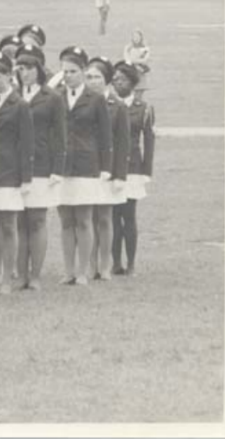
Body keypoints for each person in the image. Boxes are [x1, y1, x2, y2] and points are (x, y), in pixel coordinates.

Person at [0, 50, 34, 295]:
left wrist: (25, 178)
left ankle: (8, 279)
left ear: (9, 77)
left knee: (9, 226)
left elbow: (27, 143)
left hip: (10, 173)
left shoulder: (20, 104)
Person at [57, 46, 113, 286]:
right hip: (61, 166)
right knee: (65, 221)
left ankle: (83, 271)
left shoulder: (95, 99)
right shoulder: (56, 97)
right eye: (64, 71)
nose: (67, 76)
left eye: (72, 71)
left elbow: (105, 135)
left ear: (82, 72)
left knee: (83, 219)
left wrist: (106, 167)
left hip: (86, 163)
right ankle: (68, 270)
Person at [15, 43, 66, 291]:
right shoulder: (13, 94)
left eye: (29, 68)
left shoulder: (52, 98)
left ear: (39, 69)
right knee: (19, 222)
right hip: (15, 167)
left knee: (36, 219)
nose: (24, 73)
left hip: (41, 165)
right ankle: (21, 273)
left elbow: (60, 135)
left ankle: (35, 275)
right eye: (20, 68)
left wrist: (57, 168)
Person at [85, 56, 129, 281]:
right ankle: (89, 263)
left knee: (104, 217)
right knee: (88, 218)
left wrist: (119, 174)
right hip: (87, 168)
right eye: (89, 77)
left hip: (108, 169)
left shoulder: (117, 106)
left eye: (97, 77)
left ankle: (105, 263)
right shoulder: (82, 103)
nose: (92, 82)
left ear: (107, 80)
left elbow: (122, 143)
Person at [112, 61, 155, 277]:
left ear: (132, 82)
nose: (118, 83)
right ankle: (114, 263)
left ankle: (131, 263)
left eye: (123, 79)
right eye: (116, 79)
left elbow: (149, 140)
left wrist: (146, 171)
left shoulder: (144, 108)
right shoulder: (107, 104)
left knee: (128, 216)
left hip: (133, 168)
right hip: (111, 167)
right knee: (112, 217)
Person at [123, 29, 151, 95]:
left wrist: (133, 61)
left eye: (138, 37)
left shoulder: (145, 48)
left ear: (141, 38)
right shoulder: (128, 48)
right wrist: (136, 63)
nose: (136, 39)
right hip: (131, 73)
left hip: (141, 73)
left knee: (139, 94)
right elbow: (127, 60)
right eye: (134, 37)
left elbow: (145, 60)